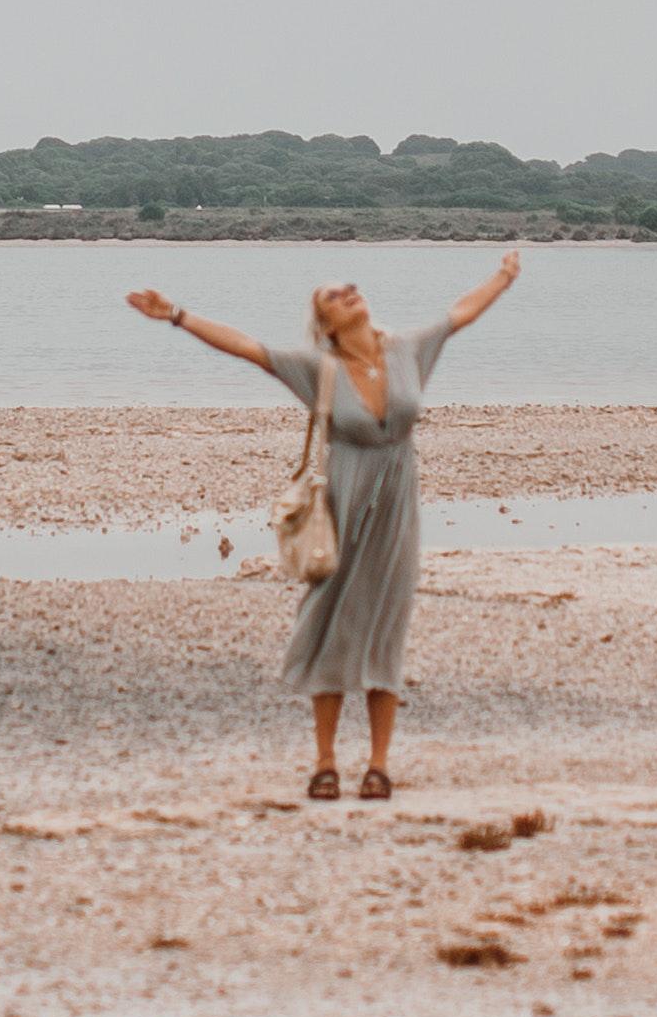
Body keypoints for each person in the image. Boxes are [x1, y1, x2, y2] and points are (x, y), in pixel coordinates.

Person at [127, 250, 521, 799]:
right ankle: (325, 761)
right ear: (325, 324)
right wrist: (176, 315)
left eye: (349, 287)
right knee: (331, 619)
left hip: (398, 504)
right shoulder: (319, 369)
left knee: (387, 621)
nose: (348, 293)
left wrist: (503, 276)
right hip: (342, 500)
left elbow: (461, 313)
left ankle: (380, 764)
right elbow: (248, 348)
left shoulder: (407, 351)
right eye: (333, 296)